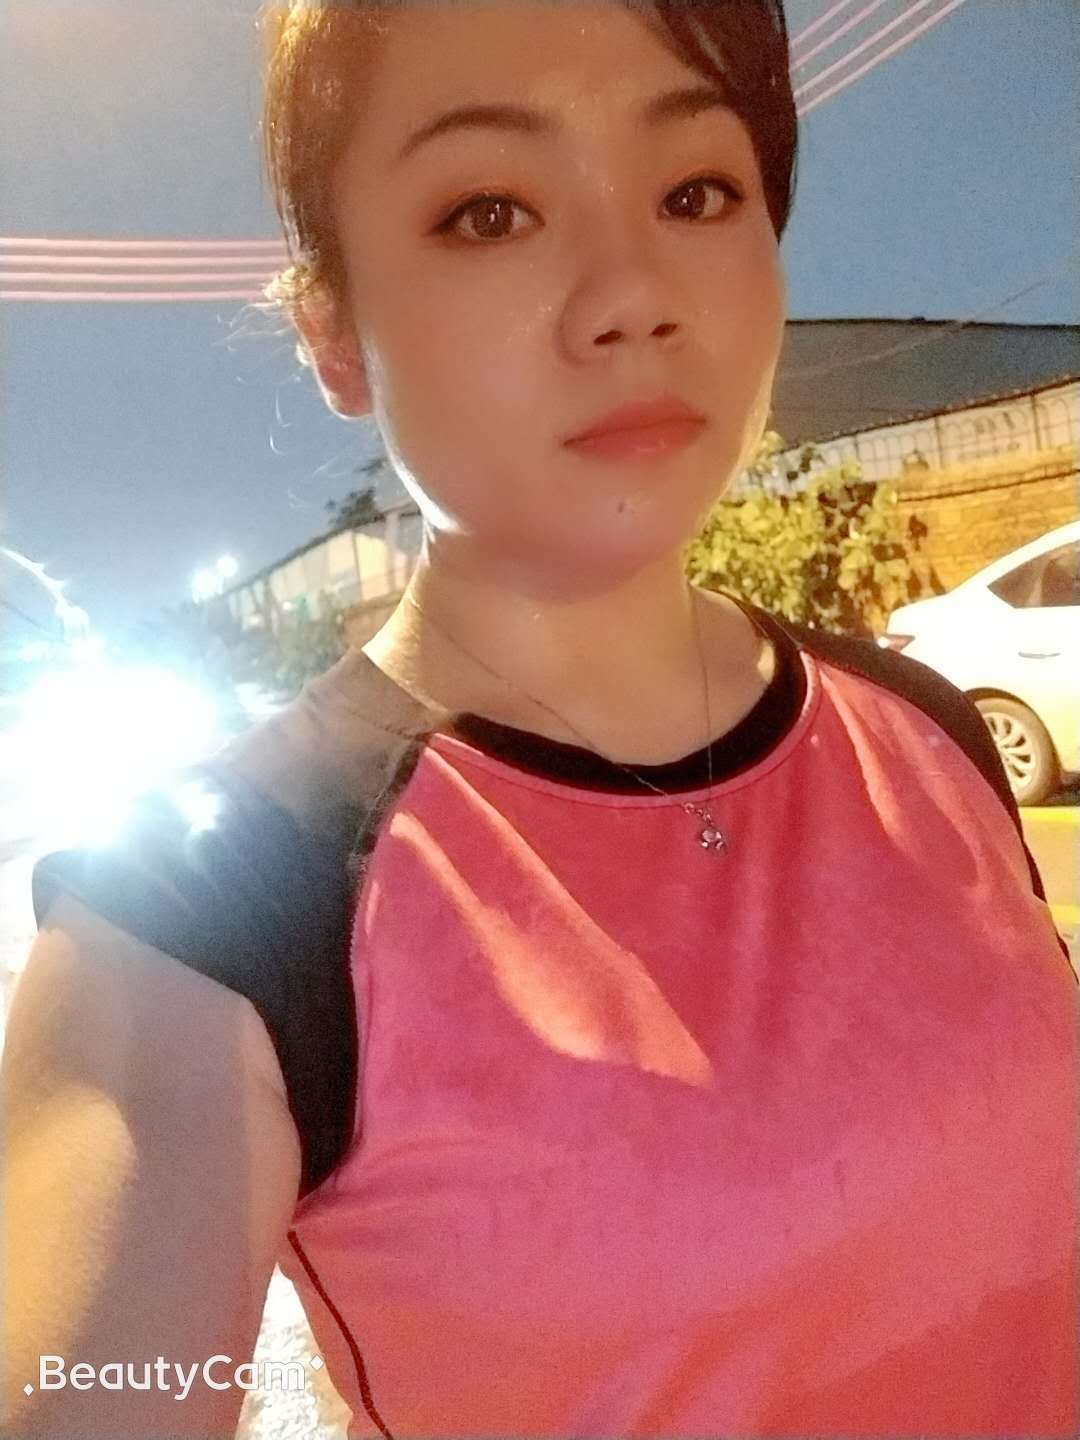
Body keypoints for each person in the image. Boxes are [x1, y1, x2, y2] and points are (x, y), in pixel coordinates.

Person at [4, 2, 1077, 1437]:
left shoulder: (925, 730)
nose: (632, 293)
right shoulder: (213, 919)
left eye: (696, 192)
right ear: (333, 334)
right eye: (490, 212)